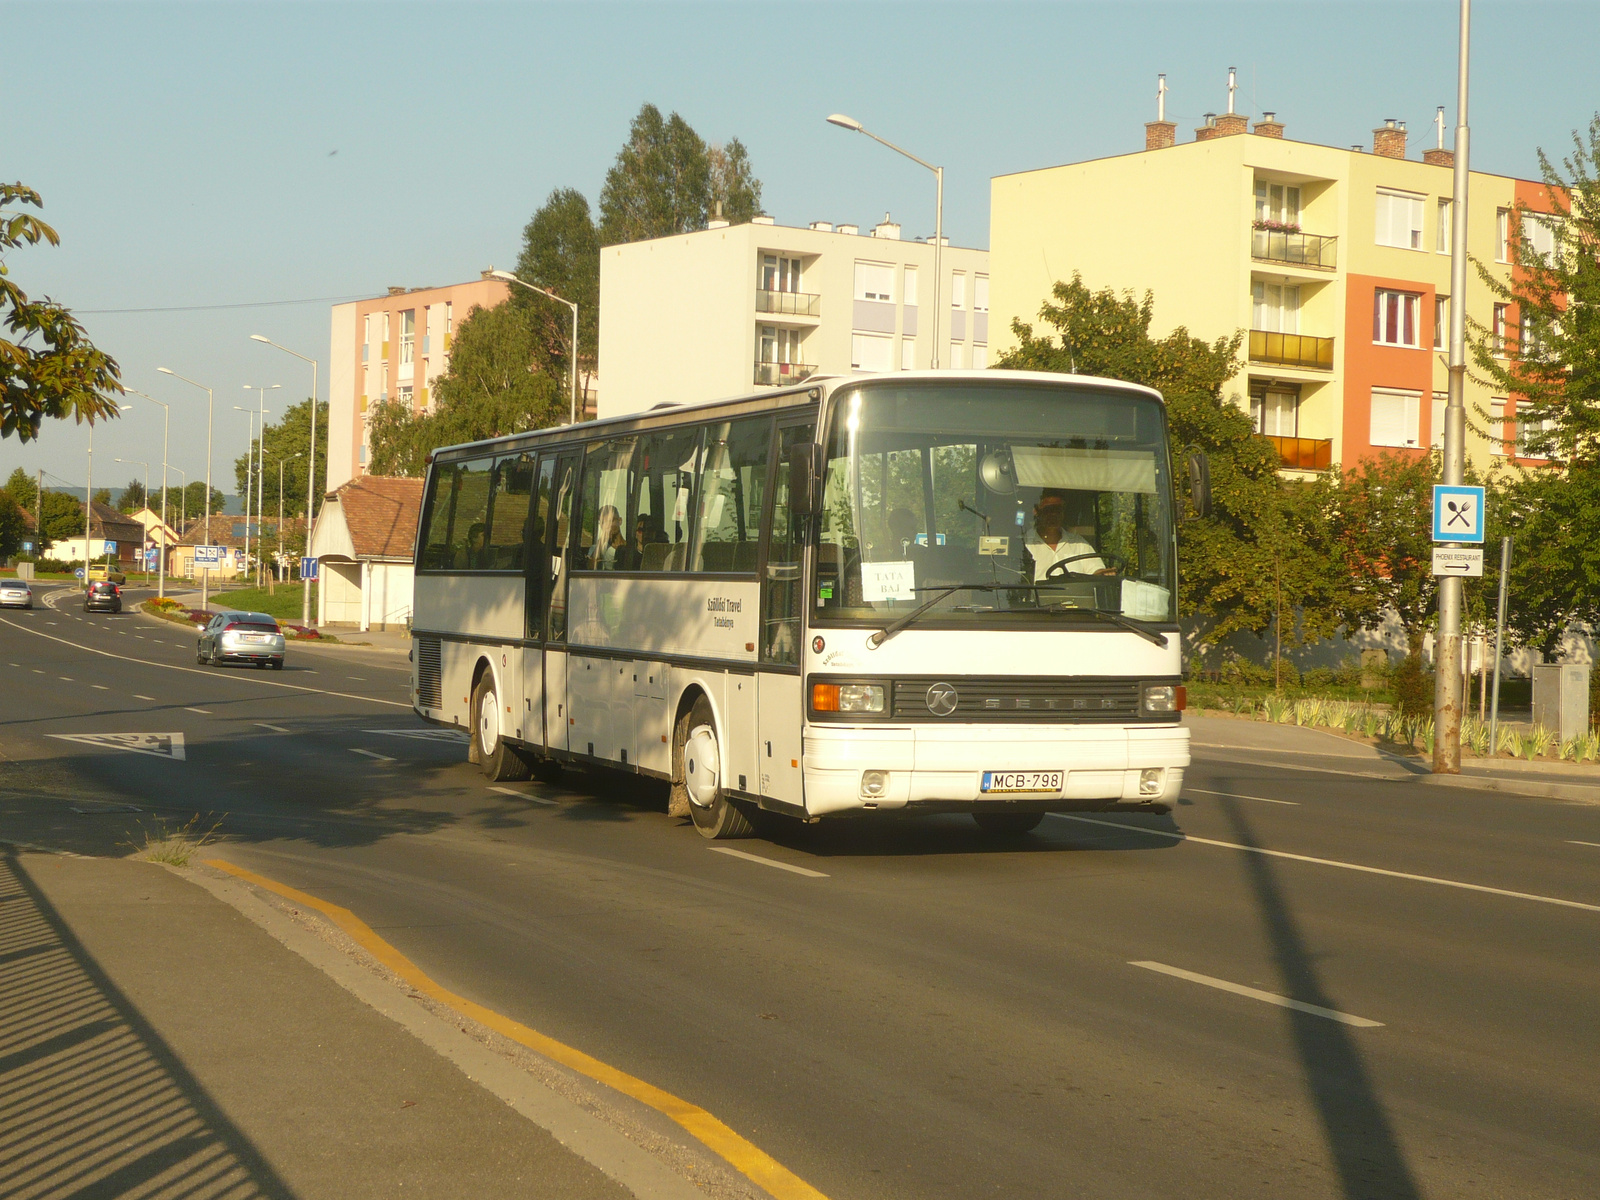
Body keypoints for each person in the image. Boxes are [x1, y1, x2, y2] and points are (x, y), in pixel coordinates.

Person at [1024, 489, 1111, 581]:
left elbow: (1096, 570)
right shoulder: (1026, 543)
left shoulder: (1078, 543)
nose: (1053, 514)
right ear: (1036, 512)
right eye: (1048, 510)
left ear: (1063, 513)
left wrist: (1105, 573)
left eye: (1057, 510)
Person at [590, 505, 625, 570]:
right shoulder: (596, 549)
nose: (607, 525)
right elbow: (590, 570)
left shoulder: (630, 548)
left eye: (611, 520)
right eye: (603, 522)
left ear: (620, 521)